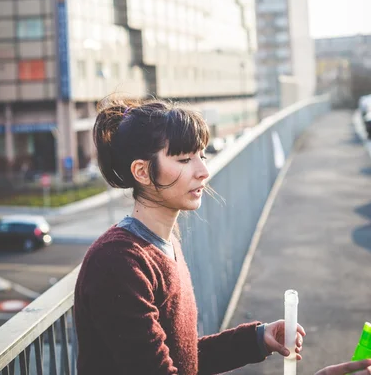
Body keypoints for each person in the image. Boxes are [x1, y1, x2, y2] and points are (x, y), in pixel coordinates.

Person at [74, 97, 305, 375]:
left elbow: (183, 359)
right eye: (184, 159)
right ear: (142, 172)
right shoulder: (118, 263)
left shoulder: (164, 243)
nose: (203, 172)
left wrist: (258, 339)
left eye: (202, 156)